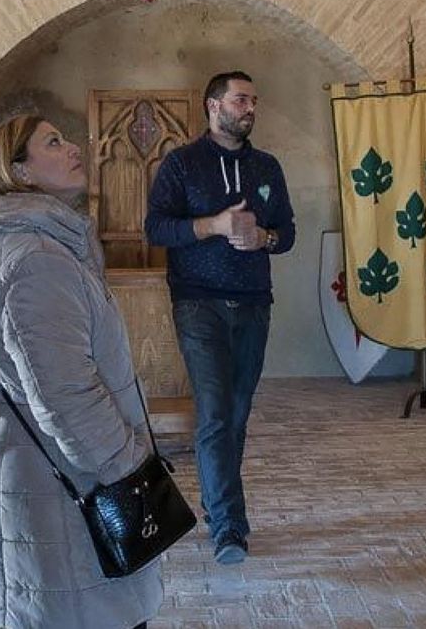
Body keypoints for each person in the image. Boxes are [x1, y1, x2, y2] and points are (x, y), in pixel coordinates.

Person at [0, 115, 163, 629]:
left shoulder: (29, 247)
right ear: (19, 172)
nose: (73, 148)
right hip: (63, 497)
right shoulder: (34, 260)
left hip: (51, 483)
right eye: (53, 142)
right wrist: (134, 473)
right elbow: (67, 399)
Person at [143, 71, 294, 565]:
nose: (250, 107)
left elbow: (287, 231)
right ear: (213, 106)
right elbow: (157, 228)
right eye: (241, 99)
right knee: (214, 412)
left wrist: (264, 239)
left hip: (253, 302)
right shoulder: (182, 164)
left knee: (236, 414)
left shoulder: (268, 167)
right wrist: (214, 225)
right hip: (199, 302)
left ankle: (220, 509)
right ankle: (228, 526)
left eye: (254, 100)